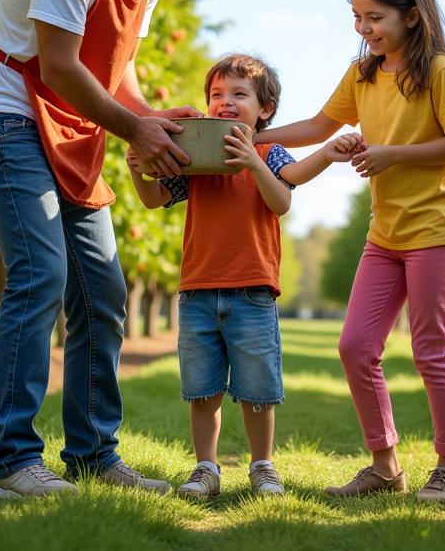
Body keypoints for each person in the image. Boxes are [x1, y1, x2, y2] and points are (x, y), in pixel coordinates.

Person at [0, 0, 238, 499]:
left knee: (103, 293)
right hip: (3, 117)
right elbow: (56, 67)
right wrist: (132, 127)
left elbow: (117, 70)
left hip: (74, 129)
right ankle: (12, 466)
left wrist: (153, 119)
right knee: (41, 276)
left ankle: (92, 455)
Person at [256, 0, 445, 502]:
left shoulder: (440, 72)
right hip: (386, 234)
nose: (364, 29)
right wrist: (251, 129)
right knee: (355, 347)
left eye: (374, 17)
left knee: (431, 349)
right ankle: (385, 466)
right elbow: (317, 126)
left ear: (413, 15)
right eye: (357, 17)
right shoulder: (362, 74)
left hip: (438, 229)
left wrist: (390, 155)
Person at [128, 53, 357, 499]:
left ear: (264, 109)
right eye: (216, 94)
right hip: (197, 291)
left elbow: (284, 198)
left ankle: (262, 465)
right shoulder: (196, 153)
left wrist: (278, 159)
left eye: (238, 94)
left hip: (253, 294)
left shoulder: (268, 153)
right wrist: (139, 171)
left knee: (257, 391)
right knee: (203, 391)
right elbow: (155, 199)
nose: (225, 102)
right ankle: (206, 468)